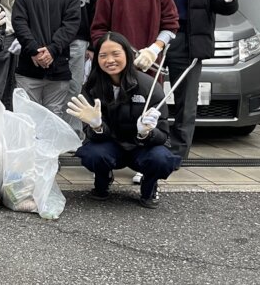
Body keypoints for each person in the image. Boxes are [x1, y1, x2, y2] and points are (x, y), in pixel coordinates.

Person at [148, 0, 239, 158]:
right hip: (155, 39)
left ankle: (176, 153)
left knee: (185, 101)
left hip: (189, 39)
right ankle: (150, 147)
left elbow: (223, 7)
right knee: (148, 93)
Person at [69, 32, 181, 208]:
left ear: (128, 56)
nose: (110, 60)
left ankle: (149, 187)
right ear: (96, 59)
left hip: (142, 148)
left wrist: (147, 132)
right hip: (110, 146)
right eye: (103, 55)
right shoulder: (91, 88)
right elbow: (93, 136)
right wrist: (97, 126)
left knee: (162, 159)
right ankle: (102, 180)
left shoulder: (149, 86)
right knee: (92, 154)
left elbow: (164, 136)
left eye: (116, 54)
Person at [21, 0, 106, 137]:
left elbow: (97, 10)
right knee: (46, 89)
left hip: (78, 40)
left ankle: (72, 132)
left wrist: (93, 44)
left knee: (74, 87)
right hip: (42, 40)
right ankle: (44, 134)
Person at [10, 0, 80, 123]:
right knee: (27, 116)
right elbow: (19, 23)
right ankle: (29, 151)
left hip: (58, 67)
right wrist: (34, 50)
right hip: (28, 68)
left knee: (53, 116)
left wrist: (52, 50)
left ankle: (51, 152)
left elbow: (70, 26)